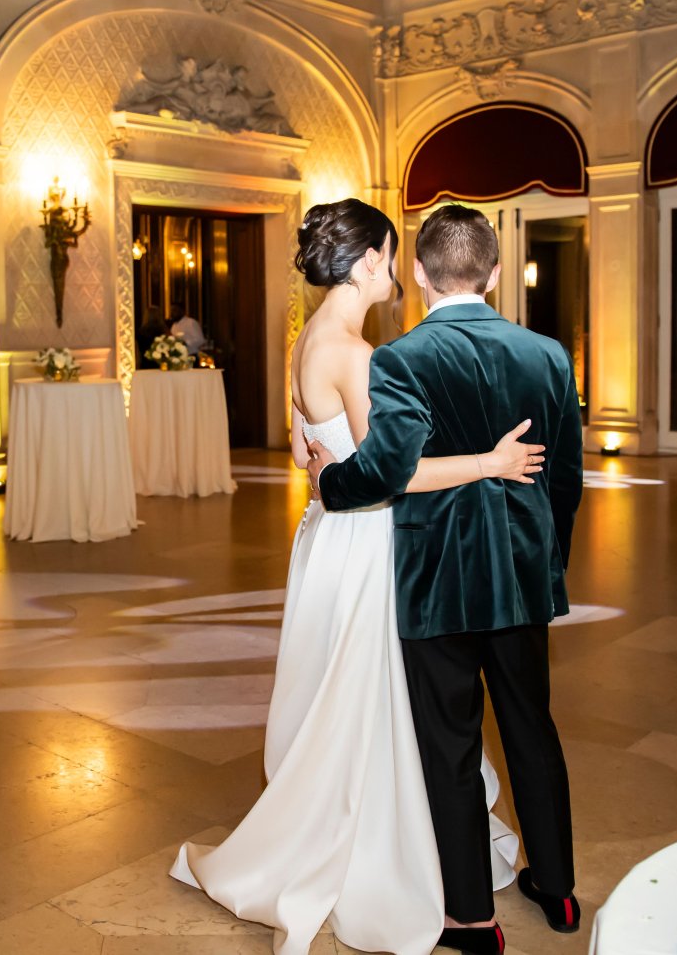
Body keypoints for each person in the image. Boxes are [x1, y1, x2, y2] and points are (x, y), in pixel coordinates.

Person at [171, 199, 543, 955]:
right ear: (371, 260)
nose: (398, 273)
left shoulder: (308, 339)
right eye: (391, 255)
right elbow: (393, 475)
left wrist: (326, 470)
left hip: (326, 543)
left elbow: (319, 455)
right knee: (384, 707)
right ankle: (388, 860)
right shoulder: (357, 353)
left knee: (351, 706)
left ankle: (375, 837)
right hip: (370, 545)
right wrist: (493, 462)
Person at [309, 203, 584, 954]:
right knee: (534, 730)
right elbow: (565, 483)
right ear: (494, 272)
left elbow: (388, 470)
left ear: (422, 277)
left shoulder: (401, 357)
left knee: (451, 745)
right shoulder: (549, 355)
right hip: (522, 579)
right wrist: (544, 561)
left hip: (437, 583)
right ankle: (557, 893)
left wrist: (328, 482)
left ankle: (471, 918)